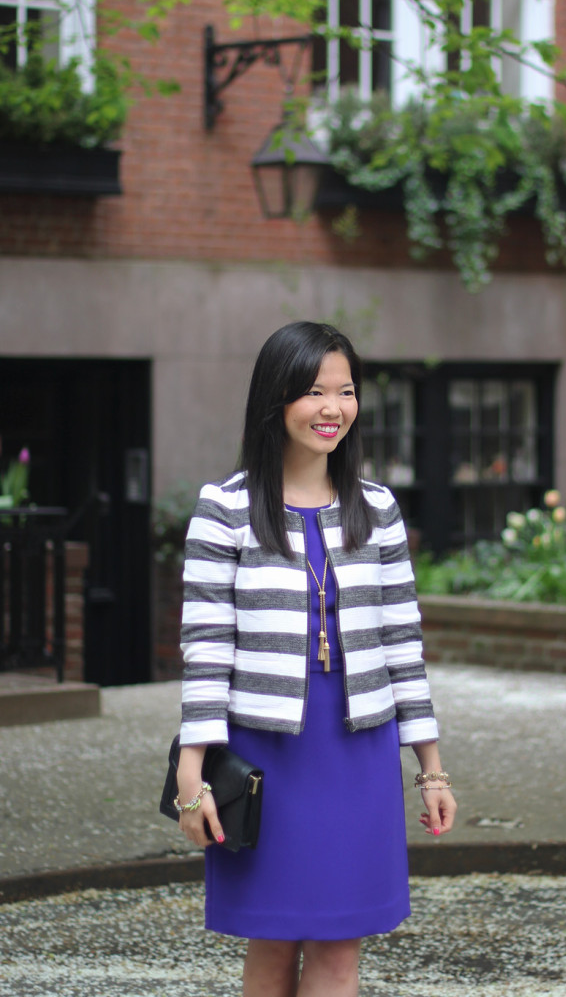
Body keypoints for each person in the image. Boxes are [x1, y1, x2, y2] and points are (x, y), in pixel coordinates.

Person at [175, 321, 457, 997]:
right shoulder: (226, 510)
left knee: (338, 949)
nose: (332, 408)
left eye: (346, 391)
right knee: (271, 943)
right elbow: (206, 650)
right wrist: (193, 777)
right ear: (275, 400)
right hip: (264, 757)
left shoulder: (379, 511)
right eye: (312, 391)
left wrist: (431, 772)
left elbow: (401, 647)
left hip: (357, 753)